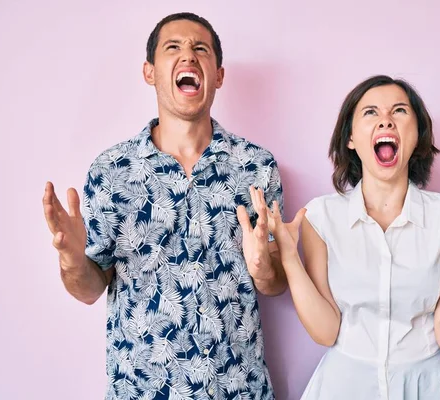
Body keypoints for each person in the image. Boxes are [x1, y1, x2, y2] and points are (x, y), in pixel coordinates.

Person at [253, 75, 440, 399]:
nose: (386, 119)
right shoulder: (319, 217)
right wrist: (288, 256)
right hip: (344, 387)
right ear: (351, 138)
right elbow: (325, 331)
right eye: (370, 112)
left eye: (399, 111)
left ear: (417, 137)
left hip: (430, 386)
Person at [42, 12, 286, 400]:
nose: (188, 56)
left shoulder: (257, 166)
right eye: (173, 47)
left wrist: (263, 267)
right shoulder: (112, 170)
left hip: (238, 388)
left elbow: (275, 284)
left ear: (218, 75)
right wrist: (73, 261)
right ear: (150, 71)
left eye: (200, 49)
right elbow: (89, 290)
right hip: (139, 390)